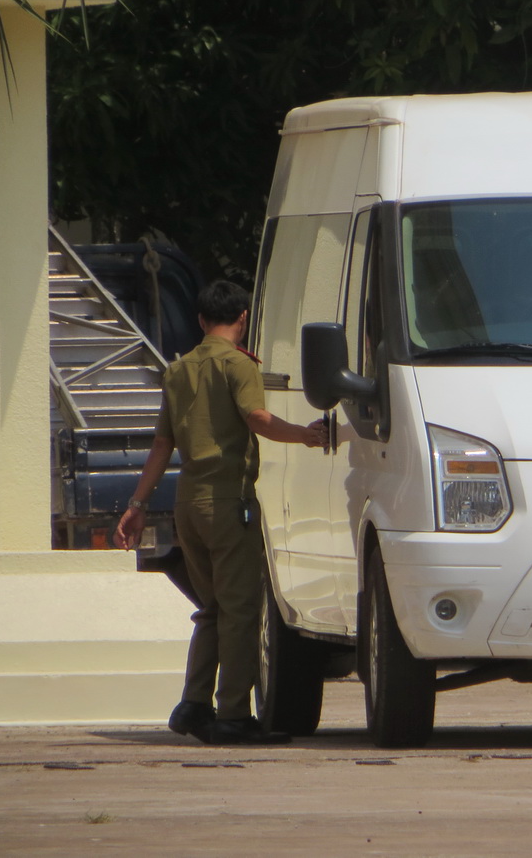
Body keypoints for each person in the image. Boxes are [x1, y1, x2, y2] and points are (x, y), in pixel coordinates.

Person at [114, 280, 327, 745]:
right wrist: (306, 436)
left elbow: (161, 444)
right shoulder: (238, 366)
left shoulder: (179, 370)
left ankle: (193, 704)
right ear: (244, 318)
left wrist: (137, 505)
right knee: (240, 609)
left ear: (201, 320)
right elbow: (257, 419)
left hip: (187, 502)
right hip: (228, 503)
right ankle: (232, 714)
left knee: (211, 608)